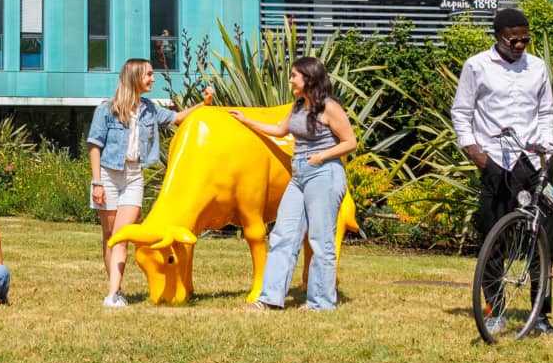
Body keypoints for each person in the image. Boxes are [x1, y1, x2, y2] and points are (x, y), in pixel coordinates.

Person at [451, 7, 553, 334]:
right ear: (498, 37)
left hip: (532, 160)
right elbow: (461, 112)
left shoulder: (537, 67)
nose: (520, 45)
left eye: (525, 39)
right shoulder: (477, 66)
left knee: (541, 239)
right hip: (495, 161)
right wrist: (476, 153)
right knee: (493, 238)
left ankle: (540, 315)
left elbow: (547, 112)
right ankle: (495, 310)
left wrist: (547, 146)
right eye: (514, 40)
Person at [231, 56, 364, 311]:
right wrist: (246, 120)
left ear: (309, 78)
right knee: (283, 234)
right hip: (299, 175)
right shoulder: (298, 105)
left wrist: (321, 156)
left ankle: (321, 302)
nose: (290, 80)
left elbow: (350, 142)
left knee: (320, 239)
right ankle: (270, 298)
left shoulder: (329, 107)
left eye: (294, 75)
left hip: (324, 174)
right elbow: (280, 130)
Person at [88, 59, 214, 306]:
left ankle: (113, 294)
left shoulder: (149, 109)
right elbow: (94, 146)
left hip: (134, 176)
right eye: (148, 74)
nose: (152, 79)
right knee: (109, 235)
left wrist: (204, 104)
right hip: (108, 175)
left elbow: (177, 118)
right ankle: (115, 289)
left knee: (121, 235)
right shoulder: (107, 110)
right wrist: (97, 183)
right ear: (135, 77)